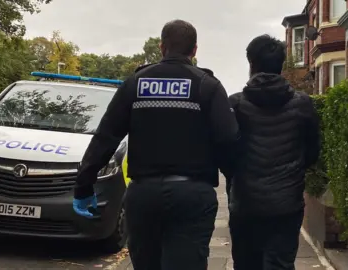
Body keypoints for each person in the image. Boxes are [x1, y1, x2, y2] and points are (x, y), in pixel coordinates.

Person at [72, 19, 239, 270]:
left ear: (162, 47)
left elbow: (106, 136)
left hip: (143, 195)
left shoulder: (136, 83)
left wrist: (84, 183)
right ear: (194, 50)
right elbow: (228, 140)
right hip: (191, 197)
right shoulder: (208, 86)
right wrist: (234, 183)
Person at [227, 34, 321, 270]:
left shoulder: (235, 104)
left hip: (245, 203)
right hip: (286, 204)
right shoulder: (302, 104)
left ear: (251, 64)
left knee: (246, 265)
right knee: (280, 264)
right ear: (280, 66)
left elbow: (225, 152)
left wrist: (235, 177)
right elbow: (313, 152)